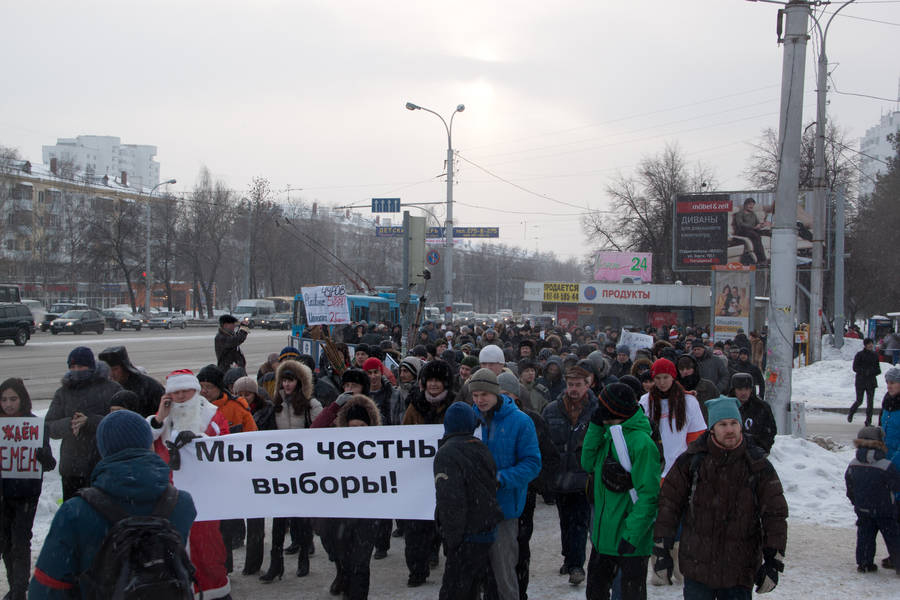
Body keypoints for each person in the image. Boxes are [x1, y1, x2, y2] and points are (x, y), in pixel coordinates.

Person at [29, 410, 197, 600]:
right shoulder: (181, 503)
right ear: (148, 444)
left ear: (103, 451)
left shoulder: (76, 512)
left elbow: (47, 587)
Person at [654, 396, 788, 598]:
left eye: (734, 423)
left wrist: (773, 561)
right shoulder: (692, 461)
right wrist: (662, 550)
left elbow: (775, 514)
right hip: (698, 567)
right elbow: (668, 506)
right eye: (723, 424)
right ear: (712, 428)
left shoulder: (757, 464)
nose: (729, 429)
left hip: (739, 569)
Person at [148, 369, 232, 599]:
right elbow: (146, 439)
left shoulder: (211, 415)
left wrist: (200, 442)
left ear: (195, 391)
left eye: (186, 391)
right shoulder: (161, 419)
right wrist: (159, 417)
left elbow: (222, 445)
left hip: (202, 495)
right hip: (168, 495)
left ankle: (213, 591)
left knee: (206, 547)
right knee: (171, 547)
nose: (182, 396)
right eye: (176, 392)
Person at [581, 383, 660, 600]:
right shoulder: (607, 436)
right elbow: (587, 463)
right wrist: (595, 427)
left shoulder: (641, 443)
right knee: (595, 594)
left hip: (629, 540)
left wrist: (631, 536)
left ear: (613, 410)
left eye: (602, 407)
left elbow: (649, 496)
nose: (598, 411)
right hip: (602, 538)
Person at [470, 368, 542, 600]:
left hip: (504, 509)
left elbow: (532, 464)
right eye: (475, 395)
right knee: (474, 574)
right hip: (474, 509)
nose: (479, 400)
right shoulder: (469, 419)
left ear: (496, 393)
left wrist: (501, 479)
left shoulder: (521, 421)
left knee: (504, 575)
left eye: (484, 395)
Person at [314, 393, 384, 598]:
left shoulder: (381, 450)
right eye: (353, 428)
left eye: (362, 428)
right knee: (343, 560)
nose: (358, 433)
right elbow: (313, 434)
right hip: (339, 515)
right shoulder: (333, 450)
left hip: (367, 516)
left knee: (360, 564)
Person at [434, 401, 505, 600]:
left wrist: (453, 539)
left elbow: (451, 501)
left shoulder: (447, 453)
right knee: (479, 587)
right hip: (486, 529)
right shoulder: (480, 448)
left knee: (454, 591)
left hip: (466, 535)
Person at [260, 359, 322, 582]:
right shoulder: (274, 406)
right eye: (284, 380)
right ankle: (276, 563)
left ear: (300, 382)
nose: (287, 385)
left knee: (301, 518)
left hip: (303, 471)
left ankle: (304, 555)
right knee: (278, 520)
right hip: (281, 471)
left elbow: (319, 434)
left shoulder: (310, 405)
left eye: (291, 381)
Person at [400, 359, 457, 587]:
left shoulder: (455, 405)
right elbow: (405, 438)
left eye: (438, 380)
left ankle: (454, 568)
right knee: (416, 529)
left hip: (448, 476)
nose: (434, 385)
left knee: (449, 526)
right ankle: (417, 569)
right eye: (430, 380)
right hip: (420, 477)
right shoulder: (415, 406)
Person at [540, 364, 598, 585]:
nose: (573, 389)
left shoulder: (596, 409)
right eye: (570, 384)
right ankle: (568, 558)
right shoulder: (552, 409)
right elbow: (545, 443)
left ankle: (576, 565)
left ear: (588, 384)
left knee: (580, 521)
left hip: (584, 476)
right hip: (560, 477)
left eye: (578, 385)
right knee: (565, 521)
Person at [0, 379, 56, 600]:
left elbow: (50, 464)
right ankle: (16, 586)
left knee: (20, 541)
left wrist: (43, 456)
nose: (8, 404)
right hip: (2, 494)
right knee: (5, 541)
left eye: (13, 399)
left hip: (26, 493)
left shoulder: (36, 426)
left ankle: (19, 590)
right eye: (4, 400)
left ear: (22, 399)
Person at [46, 347, 119, 501]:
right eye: (72, 367)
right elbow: (49, 426)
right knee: (73, 515)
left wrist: (90, 421)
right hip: (71, 467)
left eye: (81, 366)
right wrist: (69, 424)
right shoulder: (63, 392)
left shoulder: (111, 389)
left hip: (102, 465)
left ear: (91, 367)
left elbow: (120, 422)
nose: (76, 370)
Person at [844, 425, 900, 574]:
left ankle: (864, 563)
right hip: (885, 509)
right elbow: (896, 485)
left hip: (863, 508)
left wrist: (856, 501)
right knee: (893, 537)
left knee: (865, 536)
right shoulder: (886, 466)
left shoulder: (853, 464)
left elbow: (850, 487)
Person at [639, 359, 706, 480]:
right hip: (652, 466)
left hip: (679, 467)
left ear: (673, 377)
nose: (662, 382)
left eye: (665, 377)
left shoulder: (688, 401)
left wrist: (692, 462)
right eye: (658, 378)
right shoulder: (645, 401)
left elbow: (696, 436)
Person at [98, 346, 165, 417]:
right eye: (108, 369)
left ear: (124, 367)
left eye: (115, 369)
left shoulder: (149, 386)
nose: (111, 374)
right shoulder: (105, 388)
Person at [729, 373, 777, 454]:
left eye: (747, 389)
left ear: (751, 389)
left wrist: (762, 448)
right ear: (734, 390)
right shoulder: (726, 407)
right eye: (740, 389)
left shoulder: (762, 407)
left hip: (756, 452)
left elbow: (770, 431)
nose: (743, 393)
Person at [674, 354, 717, 424]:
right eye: (681, 369)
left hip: (707, 427)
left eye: (688, 368)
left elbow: (716, 408)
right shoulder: (674, 389)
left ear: (694, 368)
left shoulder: (708, 386)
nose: (685, 372)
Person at [850, 338, 882, 426]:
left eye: (872, 343)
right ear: (865, 345)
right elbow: (855, 367)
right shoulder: (859, 355)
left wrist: (871, 372)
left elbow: (878, 369)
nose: (871, 345)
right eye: (869, 344)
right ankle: (852, 411)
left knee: (870, 403)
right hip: (861, 381)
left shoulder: (875, 355)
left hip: (871, 382)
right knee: (859, 400)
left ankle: (868, 421)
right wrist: (864, 371)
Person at [733, 197, 769, 265]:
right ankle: (761, 259)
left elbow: (757, 223)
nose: (751, 206)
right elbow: (740, 224)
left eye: (753, 205)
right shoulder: (740, 213)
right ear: (745, 205)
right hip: (743, 231)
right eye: (750, 204)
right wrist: (753, 227)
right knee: (755, 236)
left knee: (766, 232)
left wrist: (761, 225)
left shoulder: (753, 214)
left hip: (753, 230)